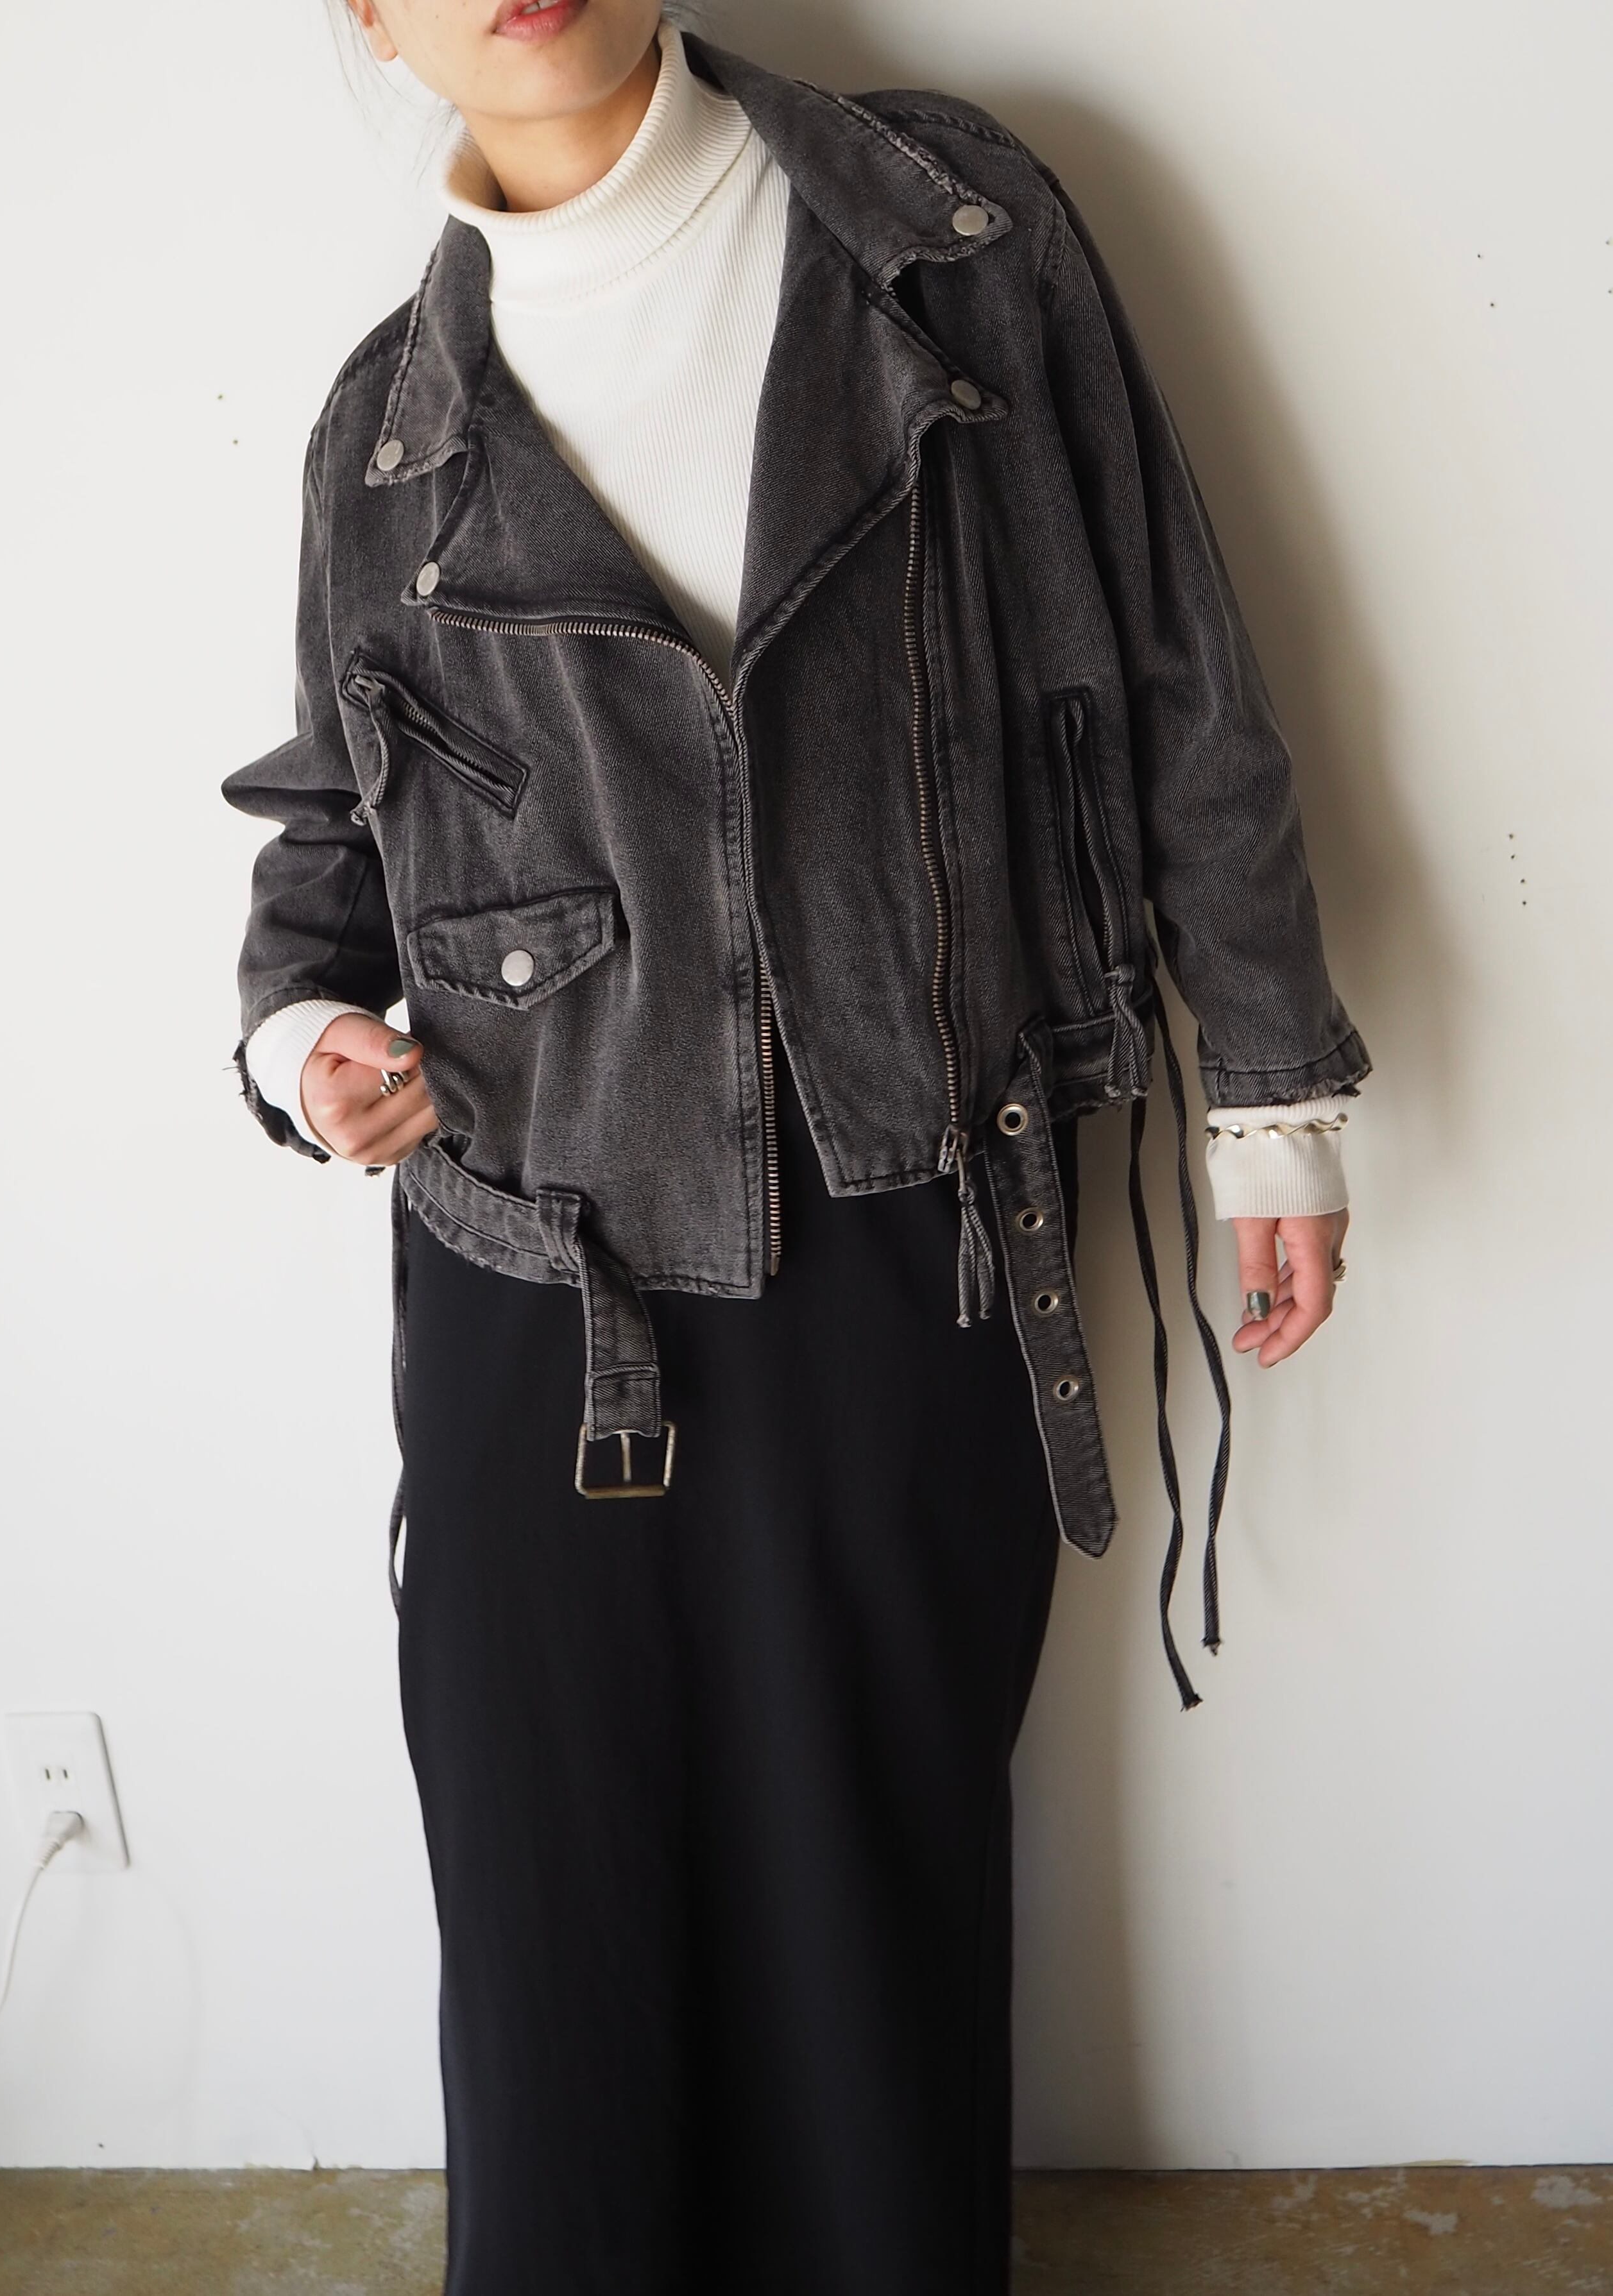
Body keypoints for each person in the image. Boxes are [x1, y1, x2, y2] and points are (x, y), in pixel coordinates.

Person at [223, 5, 1368, 2290]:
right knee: (558, 1944)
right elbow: (327, 847)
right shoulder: (389, 426)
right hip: (536, 1280)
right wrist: (306, 1037)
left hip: (909, 1228)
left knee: (865, 1923)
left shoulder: (943, 227)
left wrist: (1269, 1101)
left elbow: (1174, 667)